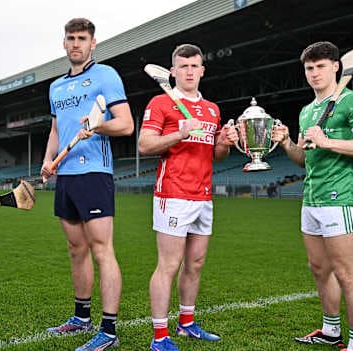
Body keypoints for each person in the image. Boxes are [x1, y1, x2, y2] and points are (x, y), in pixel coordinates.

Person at [271, 41, 353, 351]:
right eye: (309, 68)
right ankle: (331, 330)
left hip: (340, 198)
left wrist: (328, 140)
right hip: (312, 198)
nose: (315, 73)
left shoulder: (352, 101)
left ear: (336, 67)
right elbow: (304, 158)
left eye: (321, 66)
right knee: (319, 269)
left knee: (347, 274)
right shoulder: (308, 111)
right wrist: (286, 143)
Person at [40, 18, 134, 351]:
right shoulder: (55, 87)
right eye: (71, 38)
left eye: (82, 38)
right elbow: (56, 130)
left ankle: (108, 330)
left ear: (93, 43)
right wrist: (48, 159)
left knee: (101, 250)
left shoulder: (106, 75)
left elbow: (125, 124)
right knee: (75, 250)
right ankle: (81, 317)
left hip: (94, 172)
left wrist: (97, 126)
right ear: (64, 43)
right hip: (65, 176)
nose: (76, 43)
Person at [137, 44, 238, 351]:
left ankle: (187, 324)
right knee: (168, 265)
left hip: (203, 196)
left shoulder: (212, 109)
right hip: (173, 194)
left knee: (195, 264)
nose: (189, 71)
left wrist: (225, 141)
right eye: (183, 66)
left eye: (194, 66)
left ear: (202, 70)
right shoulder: (162, 102)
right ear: (173, 71)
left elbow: (216, 155)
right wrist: (180, 133)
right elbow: (144, 144)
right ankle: (159, 337)